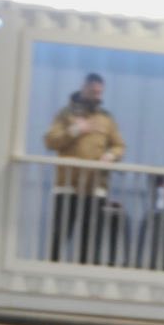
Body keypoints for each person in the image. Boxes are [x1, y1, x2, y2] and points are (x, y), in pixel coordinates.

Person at [43, 71, 125, 262]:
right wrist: (76, 130)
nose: (97, 96)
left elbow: (119, 145)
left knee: (91, 239)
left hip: (95, 187)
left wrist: (111, 155)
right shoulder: (65, 114)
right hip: (68, 185)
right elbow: (50, 141)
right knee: (60, 234)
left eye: (100, 92)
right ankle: (52, 272)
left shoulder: (106, 119)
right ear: (84, 88)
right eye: (94, 91)